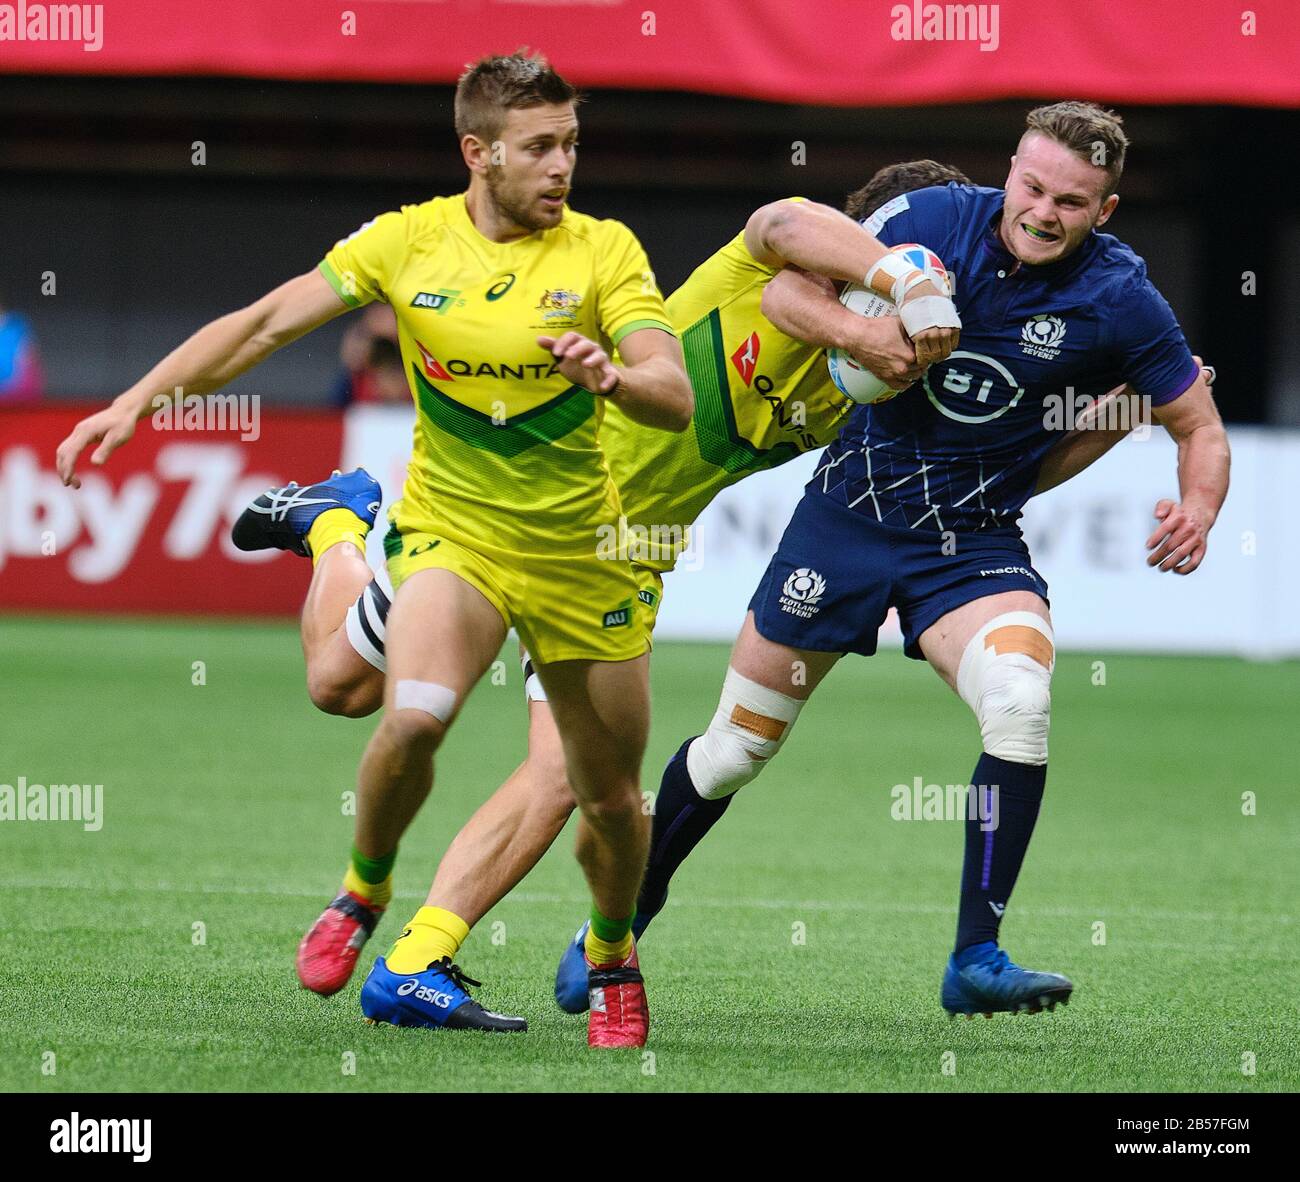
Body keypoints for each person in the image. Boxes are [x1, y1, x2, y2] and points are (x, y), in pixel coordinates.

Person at [248, 154, 1195, 1025]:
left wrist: (1119, 405)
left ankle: (417, 960)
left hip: (621, 554)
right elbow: (783, 228)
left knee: (567, 773)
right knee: (342, 688)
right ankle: (333, 521)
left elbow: (999, 436)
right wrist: (890, 284)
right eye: (889, 263)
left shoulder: (860, 387)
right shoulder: (770, 276)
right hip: (513, 505)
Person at [54, 51, 695, 1050]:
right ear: (476, 153)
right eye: (539, 147)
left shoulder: (603, 253)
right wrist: (138, 401)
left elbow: (673, 394)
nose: (562, 165)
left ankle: (612, 953)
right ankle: (362, 894)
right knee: (414, 712)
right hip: (457, 534)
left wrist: (612, 377)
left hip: (582, 554)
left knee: (609, 797)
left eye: (570, 143)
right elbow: (268, 321)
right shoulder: (408, 242)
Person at [557, 100, 1229, 1020]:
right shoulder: (928, 223)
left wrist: (1197, 504)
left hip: (974, 542)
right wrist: (865, 334)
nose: (1043, 211)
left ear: (1103, 211)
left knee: (1021, 702)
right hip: (847, 522)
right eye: (1033, 186)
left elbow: (1197, 421)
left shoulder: (1121, 298)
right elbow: (784, 291)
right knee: (735, 750)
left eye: (1073, 201)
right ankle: (620, 924)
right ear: (1010, 171)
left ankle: (976, 956)